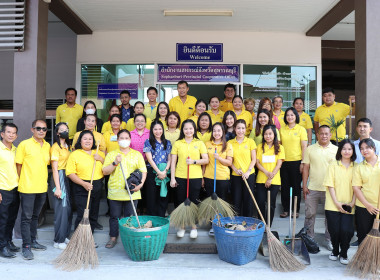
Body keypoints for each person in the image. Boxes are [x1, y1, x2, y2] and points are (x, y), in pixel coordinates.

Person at [103, 129, 147, 248]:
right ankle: (113, 238)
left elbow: (143, 170)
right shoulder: (112, 154)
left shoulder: (137, 154)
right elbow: (104, 171)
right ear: (117, 140)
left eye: (126, 138)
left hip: (132, 192)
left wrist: (141, 184)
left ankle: (129, 239)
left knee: (130, 218)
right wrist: (115, 163)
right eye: (121, 138)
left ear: (130, 140)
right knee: (114, 217)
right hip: (115, 192)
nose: (124, 140)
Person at [15, 120, 51, 260]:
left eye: (44, 129)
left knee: (36, 216)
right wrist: (21, 182)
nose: (41, 131)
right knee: (26, 218)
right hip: (27, 187)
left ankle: (33, 241)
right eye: (38, 128)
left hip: (42, 188)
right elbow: (18, 166)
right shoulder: (24, 144)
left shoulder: (47, 146)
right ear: (32, 130)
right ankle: (26, 246)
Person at [170, 119, 209, 238]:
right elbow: (173, 162)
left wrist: (194, 161)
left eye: (191, 128)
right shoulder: (178, 143)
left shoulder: (200, 143)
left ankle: (193, 227)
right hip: (180, 176)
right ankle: (181, 227)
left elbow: (206, 160)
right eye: (186, 128)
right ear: (182, 130)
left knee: (194, 201)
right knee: (181, 202)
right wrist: (172, 178)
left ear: (194, 129)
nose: (188, 131)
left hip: (195, 177)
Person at [302, 125, 338, 250]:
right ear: (317, 135)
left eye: (326, 134)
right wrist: (304, 185)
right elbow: (306, 168)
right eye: (321, 133)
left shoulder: (336, 150)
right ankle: (309, 238)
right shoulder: (310, 149)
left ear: (330, 135)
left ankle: (329, 239)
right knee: (310, 214)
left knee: (330, 216)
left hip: (330, 189)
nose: (324, 136)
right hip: (312, 188)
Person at [66, 130, 105, 235]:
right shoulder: (75, 154)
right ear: (80, 141)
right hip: (81, 186)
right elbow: (70, 173)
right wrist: (84, 184)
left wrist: (100, 158)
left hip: (96, 186)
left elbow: (107, 169)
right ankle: (78, 238)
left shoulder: (98, 153)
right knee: (82, 215)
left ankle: (89, 239)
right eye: (85, 138)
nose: (88, 141)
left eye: (90, 139)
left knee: (93, 215)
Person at [324, 139, 356, 265]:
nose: (346, 151)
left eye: (349, 149)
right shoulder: (333, 165)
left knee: (347, 231)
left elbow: (357, 187)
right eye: (344, 149)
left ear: (353, 151)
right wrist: (337, 203)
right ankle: (335, 251)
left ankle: (344, 253)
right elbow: (330, 185)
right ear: (340, 150)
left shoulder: (357, 167)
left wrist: (353, 202)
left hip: (349, 204)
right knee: (334, 230)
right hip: (333, 204)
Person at [203, 122, 233, 235]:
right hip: (209, 177)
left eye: (219, 131)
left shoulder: (228, 145)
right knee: (211, 202)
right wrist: (202, 176)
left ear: (223, 132)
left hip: (222, 177)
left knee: (221, 201)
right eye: (214, 131)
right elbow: (204, 163)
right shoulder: (207, 144)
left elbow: (229, 162)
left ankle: (221, 224)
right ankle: (213, 225)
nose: (216, 133)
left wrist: (219, 158)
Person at [279, 107, 307, 218]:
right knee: (285, 187)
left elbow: (304, 146)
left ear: (296, 116)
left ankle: (296, 210)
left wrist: (303, 162)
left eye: (292, 115)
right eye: (288, 115)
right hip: (284, 162)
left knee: (296, 187)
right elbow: (279, 146)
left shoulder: (301, 129)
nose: (290, 117)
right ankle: (286, 209)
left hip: (297, 162)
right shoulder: (282, 129)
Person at [352, 138, 380, 245]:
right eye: (362, 149)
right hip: (364, 207)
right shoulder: (359, 167)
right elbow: (356, 188)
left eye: (367, 148)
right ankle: (363, 260)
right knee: (363, 236)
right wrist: (367, 205)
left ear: (373, 148)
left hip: (379, 205)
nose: (365, 150)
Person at [256, 125, 285, 226]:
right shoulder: (260, 147)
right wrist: (266, 173)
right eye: (265, 134)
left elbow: (279, 163)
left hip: (275, 180)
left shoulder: (280, 147)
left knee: (271, 204)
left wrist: (270, 176)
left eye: (270, 134)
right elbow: (257, 163)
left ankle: (269, 226)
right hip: (261, 179)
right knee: (260, 202)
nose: (268, 136)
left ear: (274, 135)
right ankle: (261, 225)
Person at [228, 119, 257, 217]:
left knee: (248, 199)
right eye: (238, 128)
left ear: (245, 129)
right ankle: (237, 222)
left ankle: (247, 221)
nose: (240, 131)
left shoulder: (250, 142)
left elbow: (254, 159)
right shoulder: (230, 143)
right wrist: (235, 170)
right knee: (236, 199)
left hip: (249, 175)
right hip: (236, 175)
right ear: (235, 129)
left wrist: (248, 172)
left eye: (243, 128)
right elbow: (230, 160)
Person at [50, 122, 71, 250]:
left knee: (67, 209)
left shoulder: (67, 146)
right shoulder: (55, 147)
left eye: (66, 129)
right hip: (60, 176)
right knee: (62, 209)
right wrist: (58, 187)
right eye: (62, 129)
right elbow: (54, 168)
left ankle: (64, 235)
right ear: (57, 132)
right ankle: (58, 240)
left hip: (66, 177)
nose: (65, 131)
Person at [144, 120, 172, 217]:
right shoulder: (148, 142)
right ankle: (151, 219)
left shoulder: (167, 142)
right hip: (152, 172)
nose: (158, 131)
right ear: (152, 130)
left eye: (160, 129)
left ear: (163, 130)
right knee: (151, 197)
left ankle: (161, 218)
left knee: (163, 196)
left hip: (165, 172)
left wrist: (165, 171)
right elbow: (150, 159)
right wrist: (158, 172)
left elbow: (170, 159)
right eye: (155, 129)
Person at [0, 123, 19, 258]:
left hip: (15, 188)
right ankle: (2, 246)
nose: (11, 135)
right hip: (3, 189)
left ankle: (8, 241)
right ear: (2, 134)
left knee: (11, 218)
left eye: (13, 133)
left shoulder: (16, 150)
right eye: (8, 132)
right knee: (2, 220)